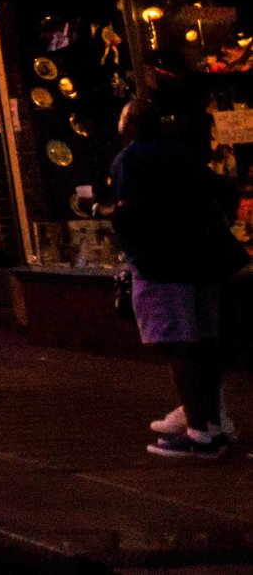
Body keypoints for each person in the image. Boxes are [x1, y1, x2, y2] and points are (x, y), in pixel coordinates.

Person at [113, 94, 245, 459]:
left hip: (164, 265)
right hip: (206, 261)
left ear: (131, 126)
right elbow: (224, 190)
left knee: (178, 344)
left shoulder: (130, 159)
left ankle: (198, 432)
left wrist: (132, 246)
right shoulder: (182, 153)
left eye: (123, 120)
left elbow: (130, 215)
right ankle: (213, 423)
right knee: (203, 341)